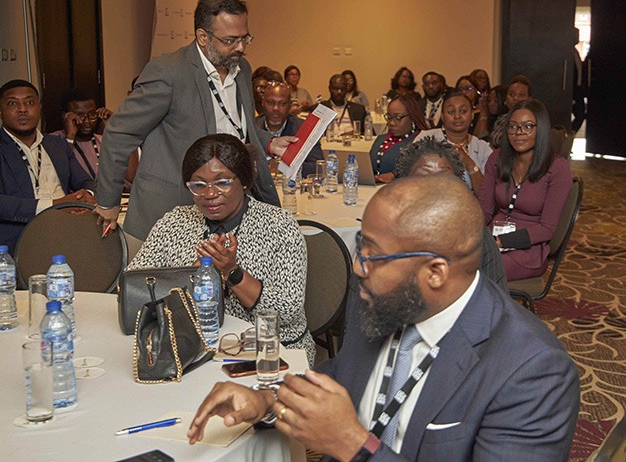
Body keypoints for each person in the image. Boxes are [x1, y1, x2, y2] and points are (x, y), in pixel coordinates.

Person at [187, 175, 579, 460]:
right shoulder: (383, 299)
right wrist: (268, 400)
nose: (359, 267)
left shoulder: (531, 372)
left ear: (435, 272)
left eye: (373, 254)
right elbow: (345, 373)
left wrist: (353, 446)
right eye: (361, 244)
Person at [95, 0, 281, 242]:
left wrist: (269, 142)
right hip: (171, 211)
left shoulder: (242, 69)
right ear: (203, 37)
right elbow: (119, 133)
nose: (240, 47)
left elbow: (236, 126)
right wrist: (108, 201)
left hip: (226, 208)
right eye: (230, 40)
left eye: (245, 38)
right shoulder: (168, 72)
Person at [127, 134, 315, 364]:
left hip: (270, 352)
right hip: (188, 350)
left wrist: (231, 273)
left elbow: (288, 312)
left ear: (244, 181)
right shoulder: (174, 222)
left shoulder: (279, 226)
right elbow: (132, 291)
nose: (210, 194)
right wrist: (191, 277)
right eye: (198, 185)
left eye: (222, 182)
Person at [394, 136, 508, 295]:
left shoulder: (477, 236)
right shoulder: (384, 235)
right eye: (423, 179)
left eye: (444, 179)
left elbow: (497, 300)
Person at [479, 99, 572, 282]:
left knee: (476, 270)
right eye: (513, 126)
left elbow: (547, 228)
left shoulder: (557, 167)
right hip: (491, 238)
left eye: (527, 126)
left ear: (541, 129)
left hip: (528, 249)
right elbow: (485, 210)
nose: (519, 132)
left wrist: (502, 242)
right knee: (451, 260)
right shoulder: (497, 158)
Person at [0, 80, 95, 254]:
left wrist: (86, 197)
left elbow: (85, 181)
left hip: (69, 230)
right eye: (13, 103)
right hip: (21, 241)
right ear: (1, 111)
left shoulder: (57, 144)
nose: (23, 109)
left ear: (39, 108)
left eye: (30, 102)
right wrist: (56, 205)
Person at [49, 88, 138, 192]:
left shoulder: (103, 140)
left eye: (92, 114)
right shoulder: (53, 140)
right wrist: (70, 136)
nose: (87, 121)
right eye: (80, 116)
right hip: (78, 200)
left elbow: (131, 178)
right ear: (65, 116)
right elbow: (59, 174)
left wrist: (117, 130)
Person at [414, 91, 492, 195]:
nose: (457, 116)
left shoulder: (483, 148)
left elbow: (486, 195)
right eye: (451, 112)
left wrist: (469, 163)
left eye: (463, 111)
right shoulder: (426, 138)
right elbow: (411, 178)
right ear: (442, 116)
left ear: (472, 115)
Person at [254, 81, 323, 176]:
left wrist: (285, 168)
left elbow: (319, 166)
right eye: (270, 103)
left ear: (290, 105)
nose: (276, 108)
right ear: (263, 102)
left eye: (282, 103)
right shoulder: (252, 127)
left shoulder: (305, 128)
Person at [369, 95, 427, 183]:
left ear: (412, 117)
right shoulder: (381, 139)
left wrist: (395, 176)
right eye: (389, 117)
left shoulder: (420, 142)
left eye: (398, 118)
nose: (391, 123)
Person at [490, 75, 532, 149]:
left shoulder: (532, 121)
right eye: (511, 94)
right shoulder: (502, 118)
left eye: (521, 95)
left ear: (529, 99)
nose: (515, 98)